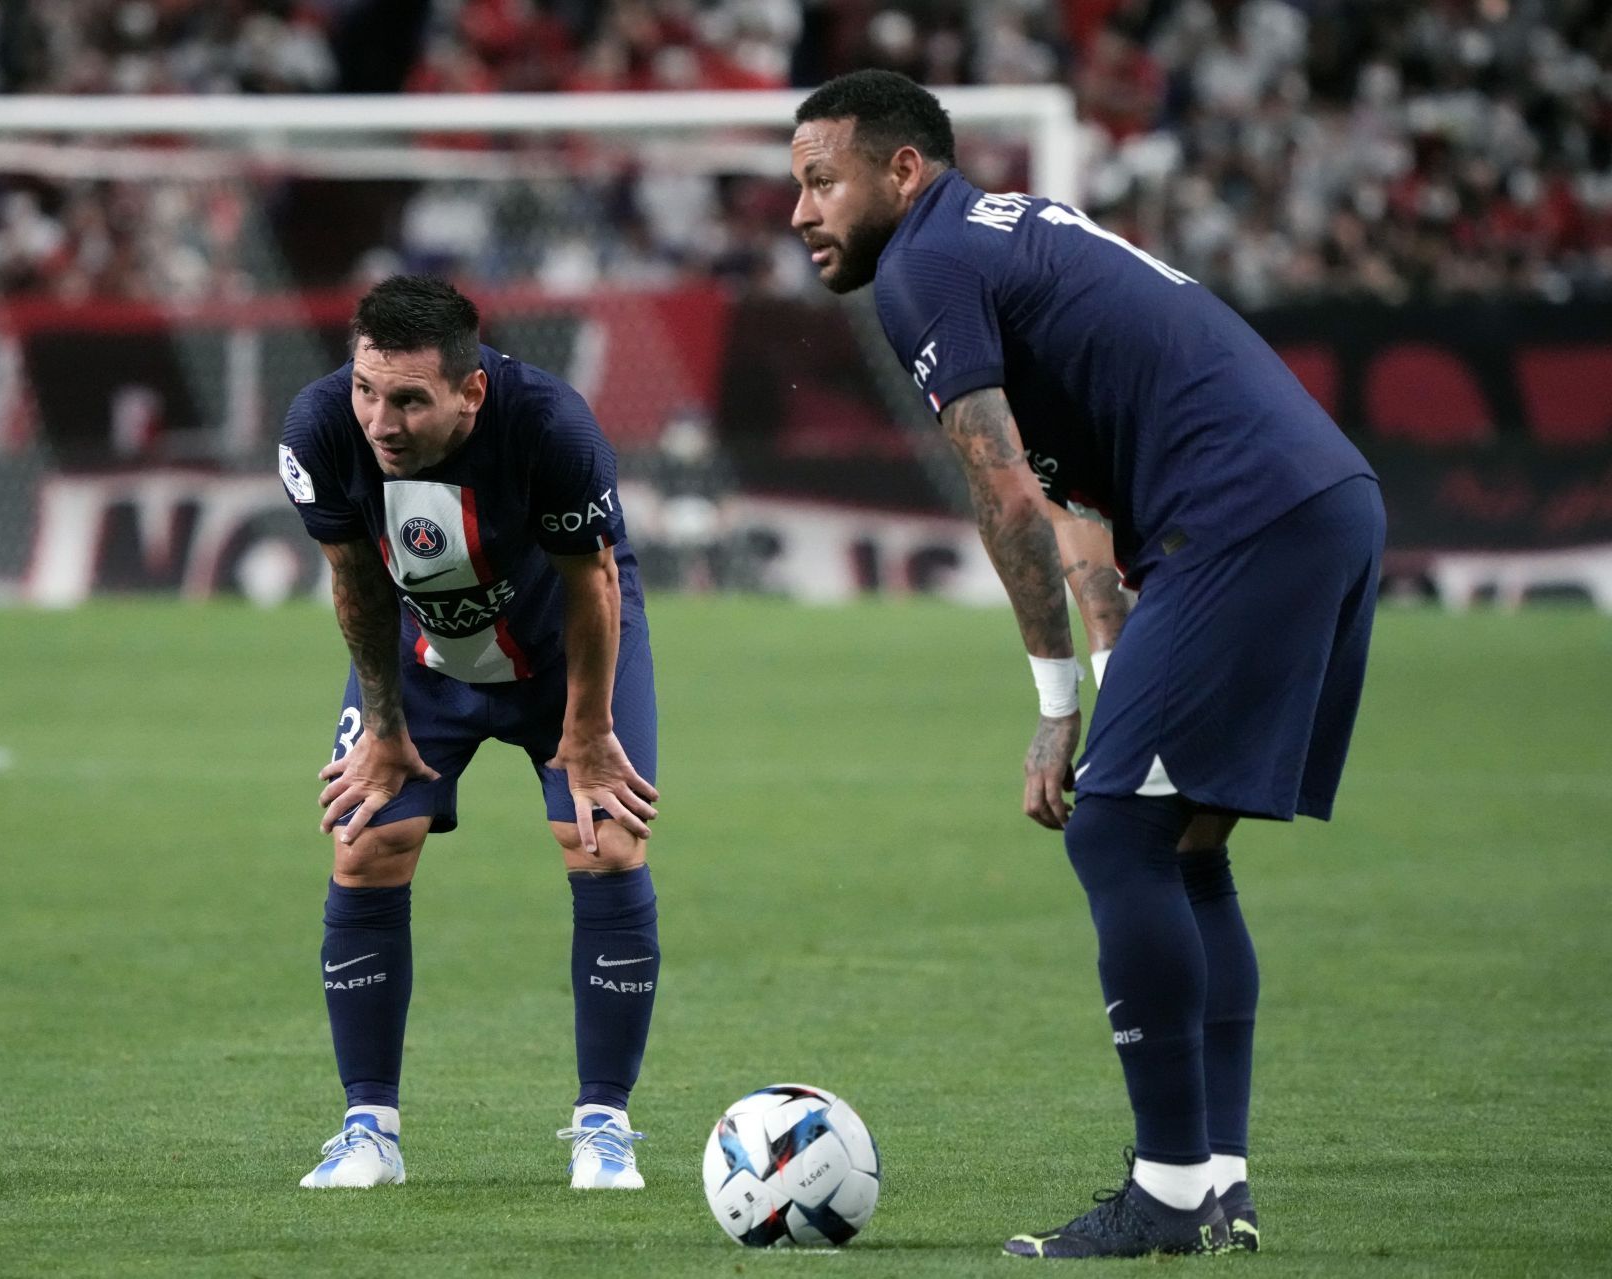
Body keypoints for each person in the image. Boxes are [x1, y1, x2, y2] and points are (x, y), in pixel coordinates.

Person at [789, 71, 1383, 1258]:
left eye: (819, 180)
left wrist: (1055, 710)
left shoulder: (924, 269)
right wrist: (1110, 674)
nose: (799, 211)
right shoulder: (1006, 236)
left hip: (1241, 515)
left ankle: (1164, 1195)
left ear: (902, 172)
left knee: (1113, 830)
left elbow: (1004, 494)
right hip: (1320, 499)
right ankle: (1214, 1184)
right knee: (1178, 837)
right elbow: (1072, 506)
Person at [277, 275, 663, 1191]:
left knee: (602, 836)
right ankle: (369, 1129)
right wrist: (380, 725)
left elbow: (592, 584)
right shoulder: (319, 428)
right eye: (368, 388)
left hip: (565, 643)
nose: (381, 419)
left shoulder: (552, 426)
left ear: (470, 390)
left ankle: (604, 1125)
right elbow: (355, 583)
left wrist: (588, 732)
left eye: (409, 398)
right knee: (366, 839)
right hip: (420, 647)